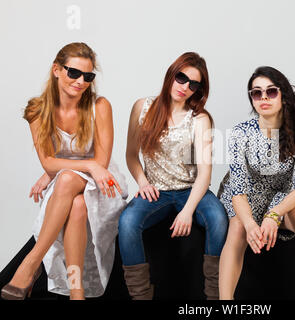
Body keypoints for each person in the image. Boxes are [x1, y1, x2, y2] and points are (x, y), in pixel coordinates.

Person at [1, 42, 128, 300]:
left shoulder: (99, 106)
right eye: (74, 73)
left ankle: (31, 262)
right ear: (56, 70)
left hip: (102, 184)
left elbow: (100, 163)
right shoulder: (38, 110)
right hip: (66, 187)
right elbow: (48, 163)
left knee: (68, 178)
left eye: (88, 76)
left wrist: (80, 167)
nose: (81, 81)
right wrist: (78, 165)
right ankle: (77, 292)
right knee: (77, 204)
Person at [217, 66, 295, 300]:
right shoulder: (241, 133)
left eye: (271, 92)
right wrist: (251, 224)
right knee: (239, 227)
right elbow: (238, 191)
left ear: (283, 95)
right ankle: (225, 302)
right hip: (245, 196)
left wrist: (274, 215)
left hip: (281, 196)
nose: (263, 98)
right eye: (256, 93)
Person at [118, 52, 228, 300]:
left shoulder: (200, 118)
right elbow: (131, 155)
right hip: (156, 191)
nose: (185, 87)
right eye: (181, 78)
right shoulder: (142, 107)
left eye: (194, 84)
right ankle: (141, 295)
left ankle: (215, 295)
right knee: (127, 222)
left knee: (219, 219)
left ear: (199, 89)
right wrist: (143, 182)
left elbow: (204, 174)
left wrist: (188, 211)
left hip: (192, 190)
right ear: (171, 74)